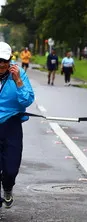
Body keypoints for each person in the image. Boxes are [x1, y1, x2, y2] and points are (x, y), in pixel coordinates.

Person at [0, 42, 34, 209]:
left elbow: (27, 100)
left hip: (12, 124)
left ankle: (7, 186)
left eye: (5, 61)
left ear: (10, 59)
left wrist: (18, 81)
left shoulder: (18, 73)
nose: (1, 65)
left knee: (11, 168)